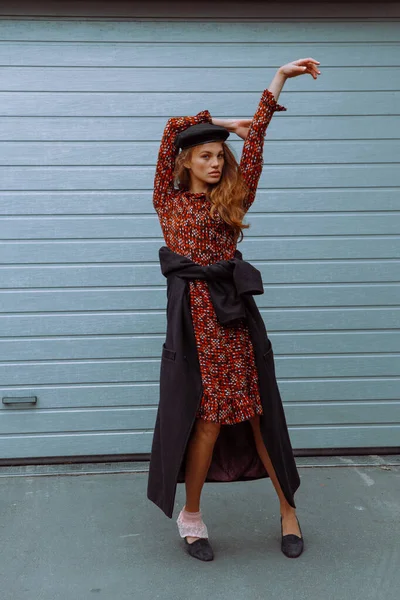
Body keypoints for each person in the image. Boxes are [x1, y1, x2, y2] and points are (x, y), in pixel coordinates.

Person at [149, 58, 321, 561]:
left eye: (220, 156)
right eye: (205, 156)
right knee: (205, 420)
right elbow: (172, 128)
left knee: (255, 414)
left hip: (232, 318)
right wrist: (223, 123)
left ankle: (288, 511)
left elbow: (259, 143)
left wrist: (279, 81)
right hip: (191, 323)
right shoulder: (168, 200)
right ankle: (192, 515)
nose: (217, 162)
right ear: (185, 163)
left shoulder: (232, 202)